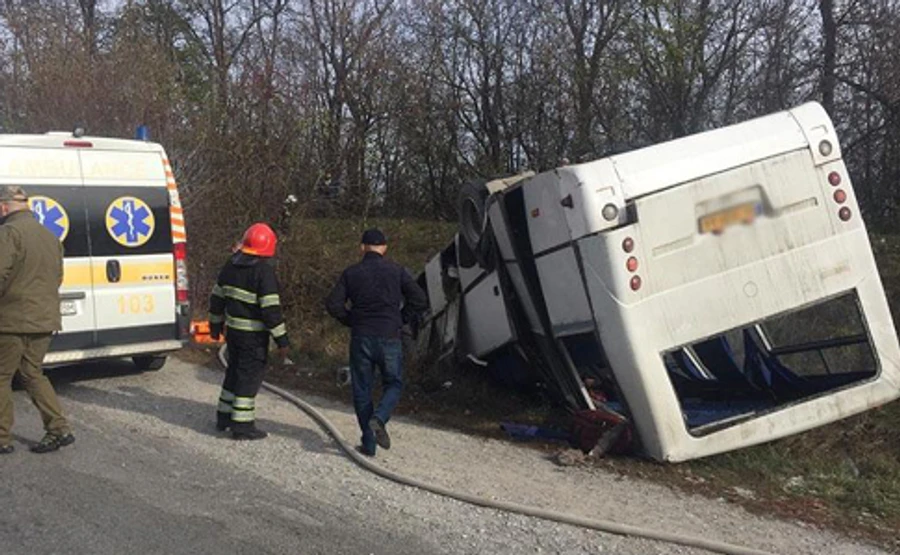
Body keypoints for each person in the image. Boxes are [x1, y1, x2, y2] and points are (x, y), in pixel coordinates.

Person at [325, 228, 427, 456]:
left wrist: (351, 320)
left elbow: (333, 304)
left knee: (362, 389)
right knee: (394, 383)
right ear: (384, 248)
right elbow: (419, 299)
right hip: (390, 336)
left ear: (362, 247)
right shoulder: (397, 271)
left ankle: (369, 445)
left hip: (361, 337)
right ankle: (380, 418)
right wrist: (401, 319)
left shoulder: (351, 273)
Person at [0, 185, 75, 454]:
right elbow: (57, 277)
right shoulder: (49, 235)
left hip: (12, 320)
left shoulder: (9, 233)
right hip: (44, 318)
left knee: (2, 376)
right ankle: (59, 429)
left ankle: (1, 438)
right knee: (33, 374)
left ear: (4, 207)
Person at [208, 222, 290, 440]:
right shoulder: (263, 272)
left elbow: (216, 299)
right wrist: (282, 341)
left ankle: (223, 417)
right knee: (248, 377)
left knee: (233, 373)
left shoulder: (230, 265)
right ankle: (242, 426)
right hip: (253, 337)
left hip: (233, 333)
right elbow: (271, 311)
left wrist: (214, 326)